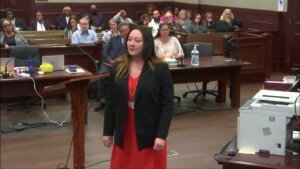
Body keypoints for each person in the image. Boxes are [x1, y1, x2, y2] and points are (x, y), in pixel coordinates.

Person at [103, 26, 174, 169]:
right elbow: (111, 101)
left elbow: (167, 105)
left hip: (149, 131)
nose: (132, 43)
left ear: (146, 43)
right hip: (125, 127)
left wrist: (161, 135)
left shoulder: (160, 68)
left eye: (137, 40)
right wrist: (108, 131)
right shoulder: (118, 65)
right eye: (129, 39)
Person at [94, 22, 130, 111]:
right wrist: (109, 60)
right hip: (108, 63)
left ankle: (116, 101)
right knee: (101, 76)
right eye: (122, 31)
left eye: (126, 30)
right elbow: (105, 53)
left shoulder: (132, 41)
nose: (125, 32)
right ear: (119, 32)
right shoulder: (113, 39)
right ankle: (102, 100)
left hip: (123, 65)